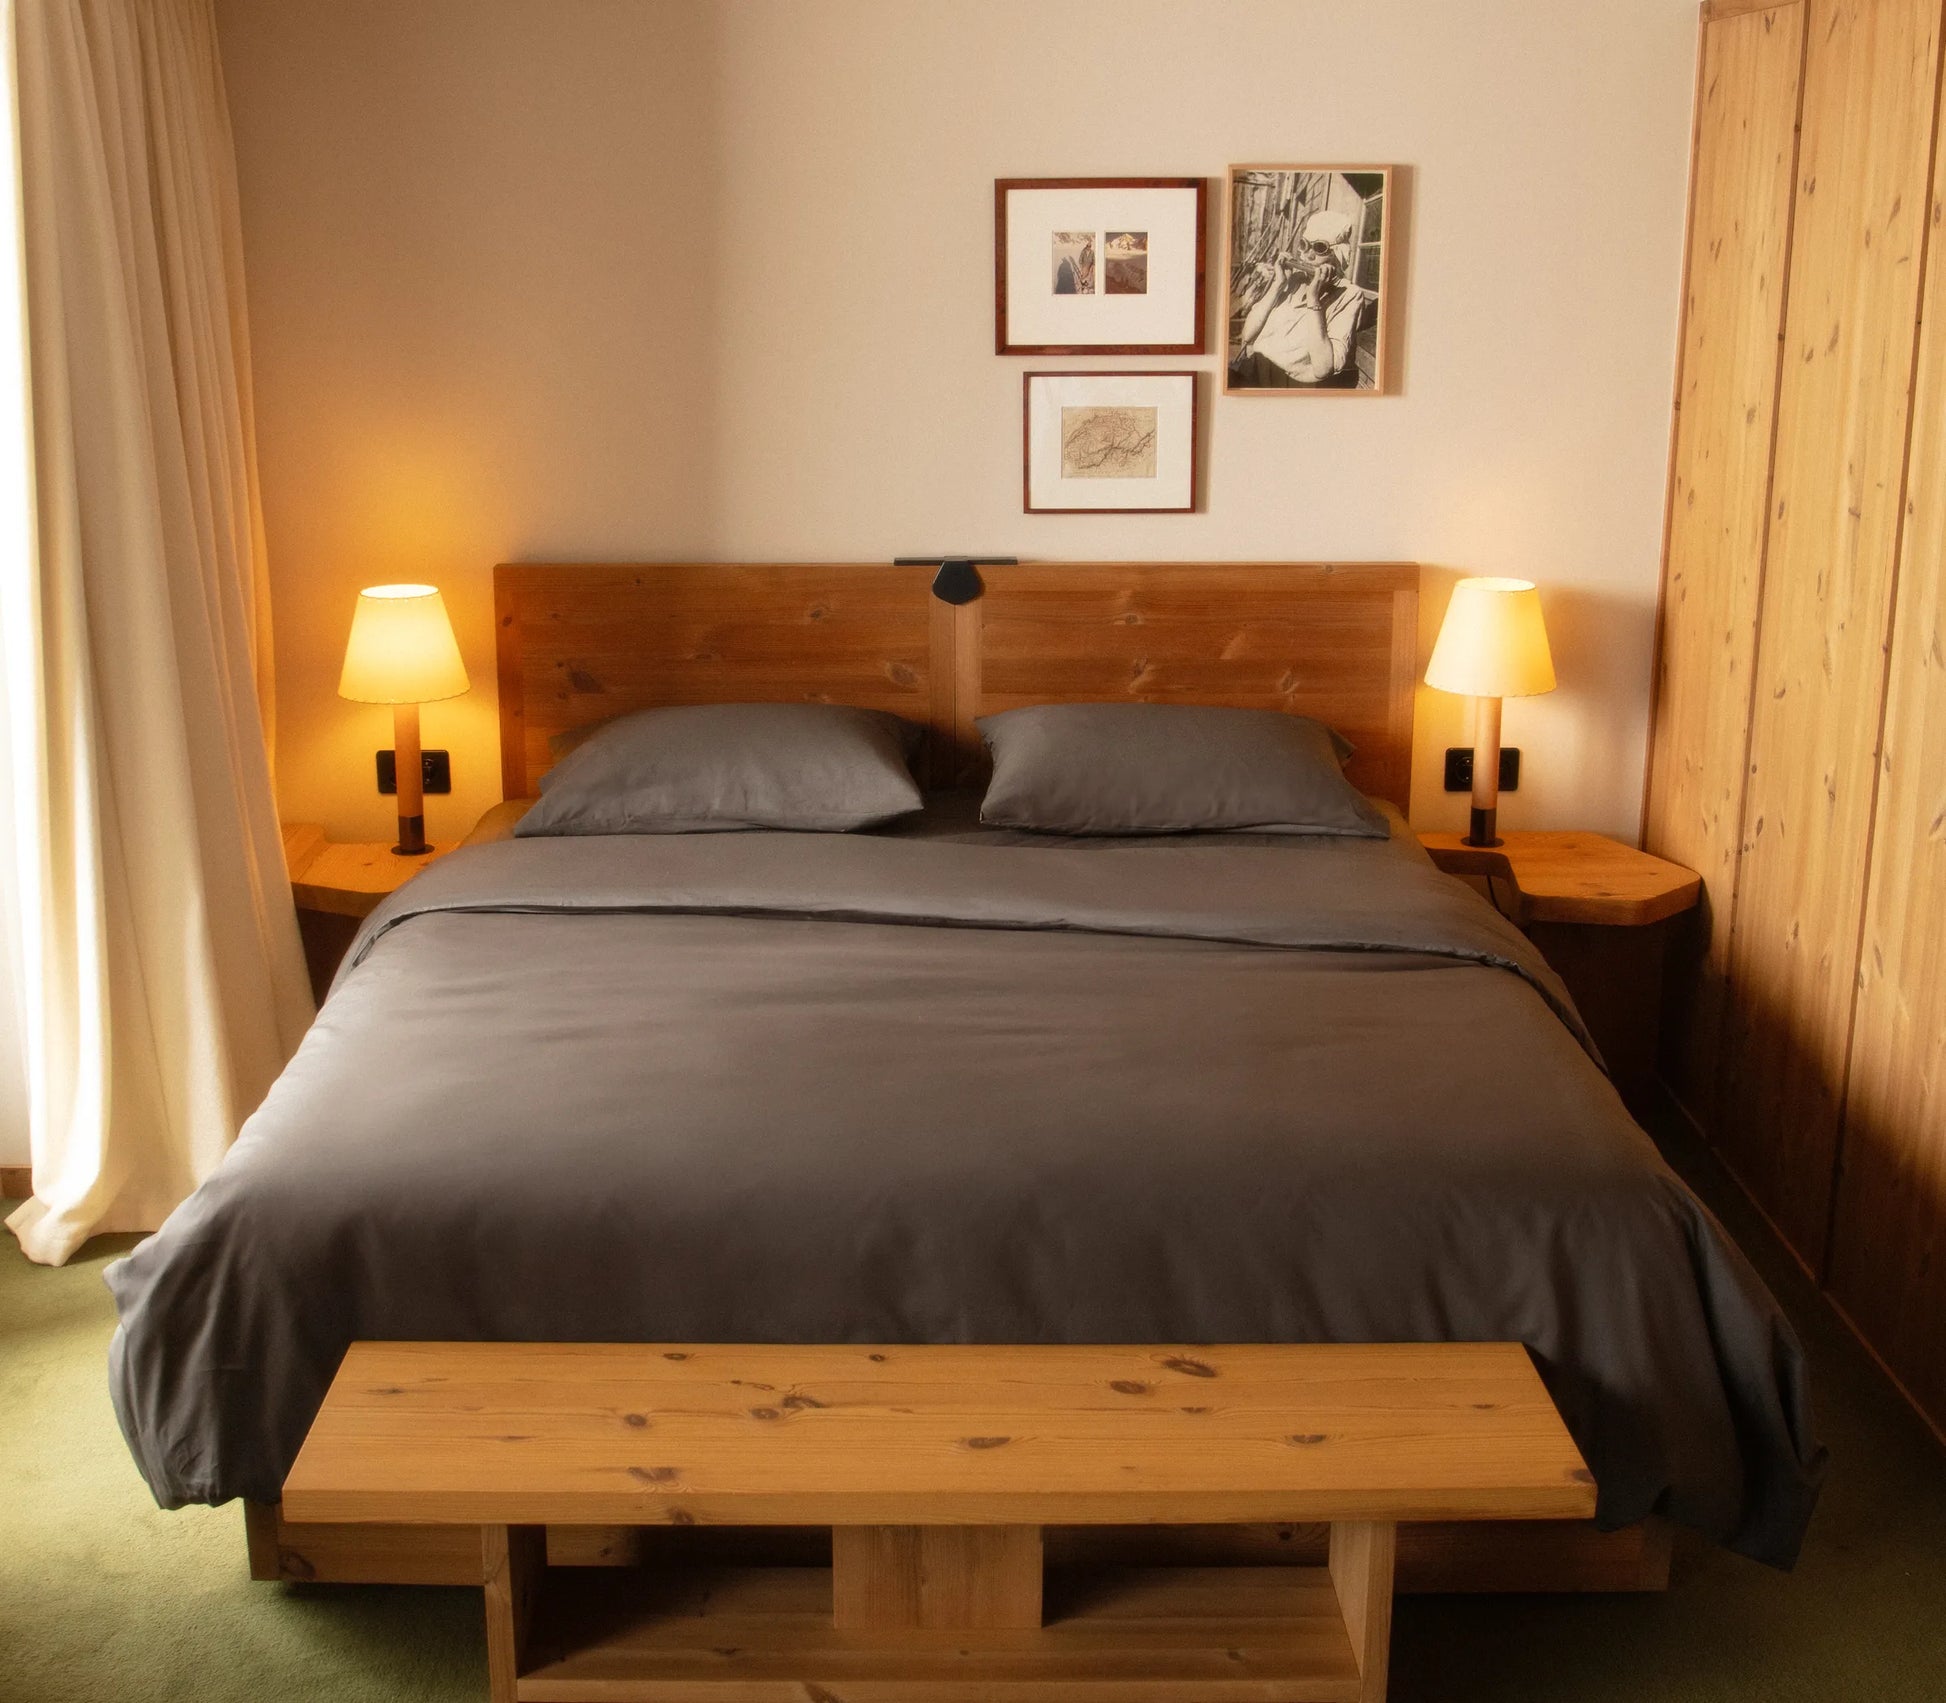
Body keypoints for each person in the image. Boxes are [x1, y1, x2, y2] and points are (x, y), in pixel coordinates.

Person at [1228, 208, 1366, 388]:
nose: (1308, 255)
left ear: (1337, 255)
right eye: (1304, 244)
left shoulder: (1349, 294)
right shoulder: (1294, 280)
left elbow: (1323, 368)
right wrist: (1278, 284)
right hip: (1254, 368)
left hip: (1290, 385)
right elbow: (1247, 335)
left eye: (1320, 248)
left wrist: (1313, 300)